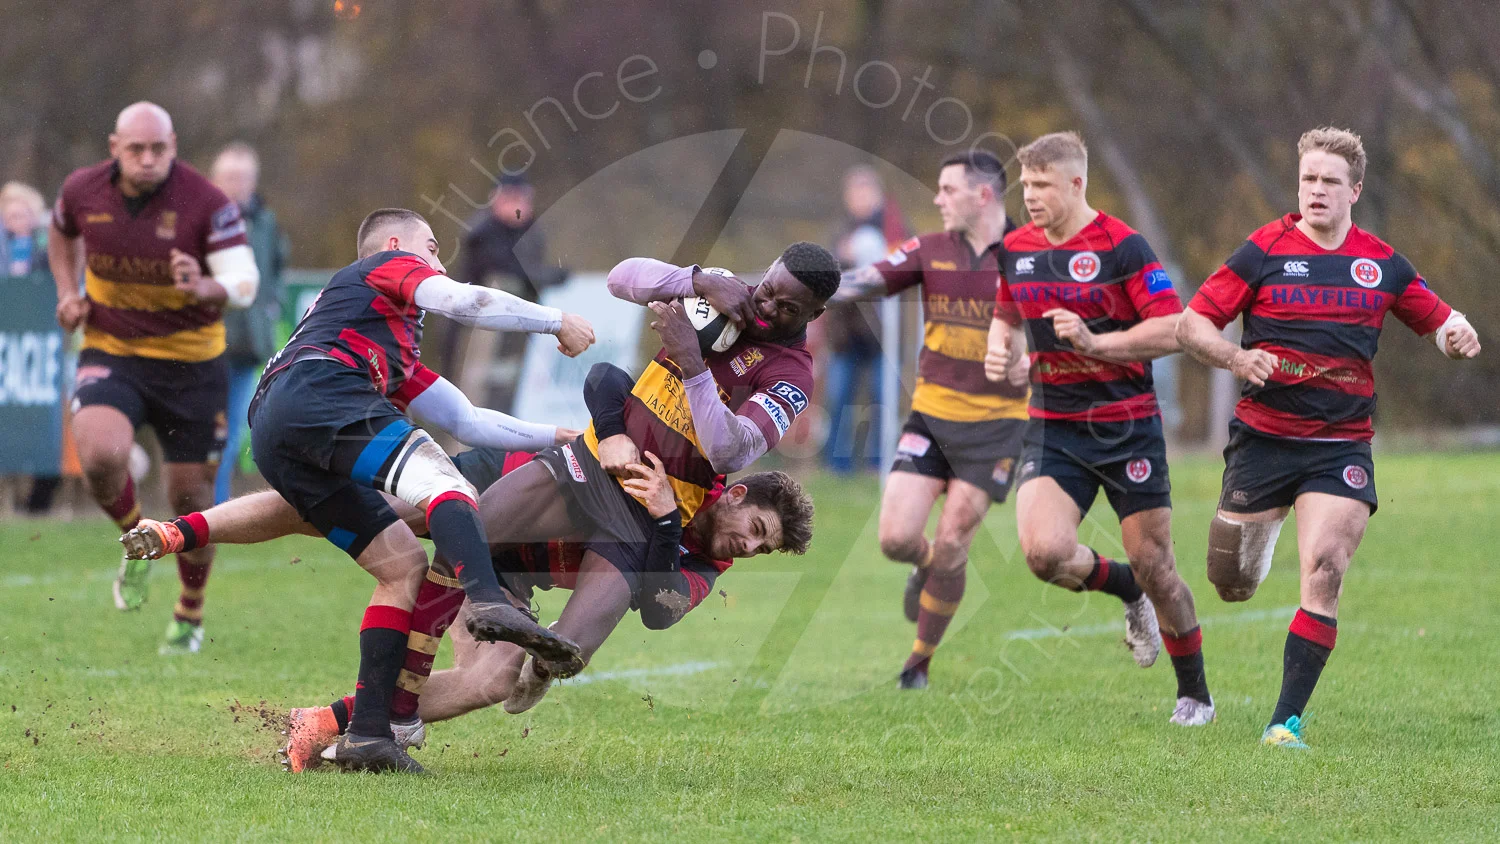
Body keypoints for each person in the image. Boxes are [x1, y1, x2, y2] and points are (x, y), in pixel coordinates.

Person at [127, 207, 596, 773]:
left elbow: (468, 420)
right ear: (395, 245)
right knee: (446, 483)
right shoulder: (386, 267)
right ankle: (489, 602)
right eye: (431, 248)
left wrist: (558, 435)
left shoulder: (378, 336)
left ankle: (369, 733)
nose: (437, 262)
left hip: (277, 427)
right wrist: (555, 321)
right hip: (320, 389)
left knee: (401, 566)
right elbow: (461, 300)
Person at [1176, 127, 1481, 749]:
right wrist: (1237, 361)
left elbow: (1443, 320)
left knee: (1325, 568)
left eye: (1330, 182)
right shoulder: (1263, 251)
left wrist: (1458, 334)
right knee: (1230, 583)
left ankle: (1282, 724)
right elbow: (1191, 325)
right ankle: (1270, 523)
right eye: (1308, 179)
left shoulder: (1382, 264)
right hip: (1262, 440)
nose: (1316, 191)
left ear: (1355, 191)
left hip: (1340, 445)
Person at [984, 132, 1215, 726]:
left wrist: (1096, 342)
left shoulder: (1122, 248)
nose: (1030, 197)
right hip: (1053, 425)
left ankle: (1195, 694)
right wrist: (1002, 351)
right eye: (1025, 185)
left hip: (1127, 428)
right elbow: (1008, 313)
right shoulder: (1017, 248)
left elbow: (1175, 330)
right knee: (1042, 553)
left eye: (1042, 186)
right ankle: (1125, 592)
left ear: (1076, 183)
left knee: (1156, 565)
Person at [48, 102, 261, 655]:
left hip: (192, 363)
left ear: (174, 147)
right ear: (113, 147)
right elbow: (59, 232)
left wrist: (203, 287)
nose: (147, 159)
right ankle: (138, 539)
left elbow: (244, 283)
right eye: (136, 149)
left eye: (158, 149)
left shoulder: (207, 203)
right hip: (111, 348)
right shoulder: (82, 190)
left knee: (190, 497)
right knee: (98, 454)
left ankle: (189, 614)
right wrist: (68, 293)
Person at [833, 151, 1028, 689]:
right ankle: (925, 567)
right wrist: (799, 289)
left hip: (996, 426)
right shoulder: (929, 248)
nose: (937, 200)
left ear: (982, 195)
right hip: (932, 419)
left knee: (953, 539)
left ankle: (917, 662)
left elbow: (1064, 327)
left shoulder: (1029, 255)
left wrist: (1031, 361)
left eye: (948, 190)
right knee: (896, 539)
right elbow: (863, 281)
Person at [209, 142, 289, 504]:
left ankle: (218, 509)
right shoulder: (204, 217)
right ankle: (207, 506)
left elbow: (275, 272)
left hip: (247, 346)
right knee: (208, 432)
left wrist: (270, 308)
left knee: (229, 433)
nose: (236, 184)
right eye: (229, 177)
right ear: (216, 179)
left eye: (242, 177)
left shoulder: (266, 221)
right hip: (208, 341)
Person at [822, 165, 908, 473]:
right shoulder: (840, 232)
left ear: (877, 194)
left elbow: (904, 270)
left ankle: (879, 462)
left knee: (883, 401)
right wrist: (841, 258)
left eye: (865, 191)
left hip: (883, 335)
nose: (860, 198)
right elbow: (826, 275)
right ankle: (836, 466)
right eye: (854, 192)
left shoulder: (895, 230)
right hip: (845, 335)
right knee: (838, 400)